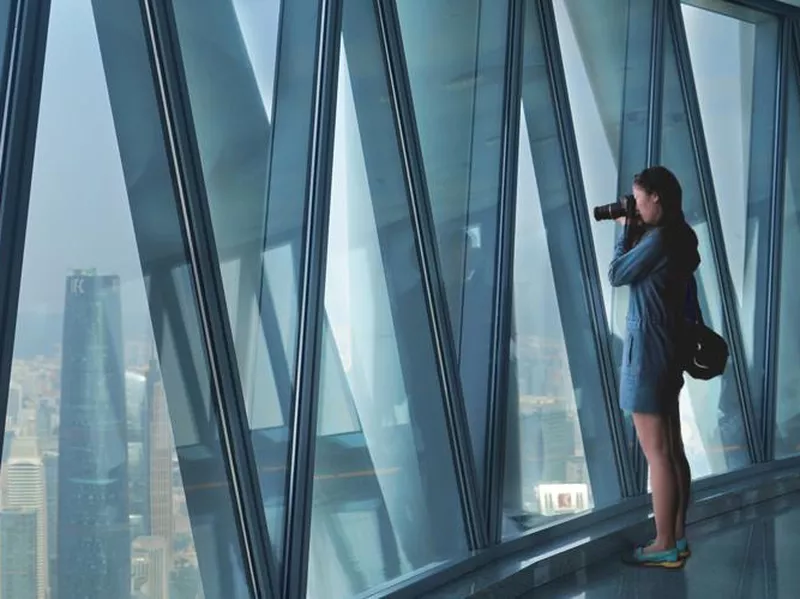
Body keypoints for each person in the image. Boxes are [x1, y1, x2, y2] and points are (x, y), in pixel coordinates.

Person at [608, 166, 697, 568]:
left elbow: (616, 273)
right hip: (669, 350)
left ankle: (662, 543)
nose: (636, 207)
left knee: (657, 455)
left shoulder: (658, 240)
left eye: (639, 199)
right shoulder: (681, 238)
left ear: (657, 197)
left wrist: (625, 231)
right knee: (673, 450)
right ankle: (676, 537)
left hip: (647, 353)